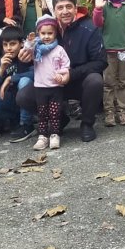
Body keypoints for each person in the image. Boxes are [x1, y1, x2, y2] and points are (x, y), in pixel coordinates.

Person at [16, 0, 106, 142]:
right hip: (52, 83)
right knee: (23, 97)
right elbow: (35, 54)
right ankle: (59, 119)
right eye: (60, 7)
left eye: (69, 7)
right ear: (54, 10)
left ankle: (87, 123)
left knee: (95, 81)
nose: (65, 11)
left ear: (76, 8)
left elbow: (100, 62)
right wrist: (25, 58)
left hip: (78, 80)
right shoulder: (47, 29)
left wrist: (71, 74)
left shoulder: (90, 28)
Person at [27, 16, 71, 150]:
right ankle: (42, 136)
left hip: (55, 87)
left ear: (55, 33)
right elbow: (27, 51)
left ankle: (55, 134)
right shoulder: (36, 49)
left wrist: (61, 74)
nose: (46, 36)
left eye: (50, 33)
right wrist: (30, 42)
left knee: (55, 113)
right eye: (43, 33)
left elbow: (66, 65)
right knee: (42, 113)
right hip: (40, 87)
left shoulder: (59, 49)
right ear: (38, 33)